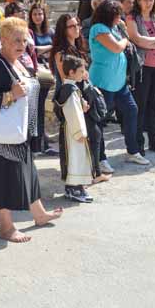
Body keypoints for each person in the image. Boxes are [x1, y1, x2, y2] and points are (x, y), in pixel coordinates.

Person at [0, 17, 63, 242]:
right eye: (16, 41)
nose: (21, 45)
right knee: (5, 181)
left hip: (17, 132)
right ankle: (6, 227)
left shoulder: (16, 61)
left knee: (28, 173)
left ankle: (39, 214)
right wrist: (10, 95)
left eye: (24, 40)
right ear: (3, 40)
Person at [88, 0, 149, 166]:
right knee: (100, 120)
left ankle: (132, 150)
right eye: (116, 15)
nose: (119, 18)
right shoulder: (98, 28)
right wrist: (125, 40)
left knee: (131, 110)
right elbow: (116, 47)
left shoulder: (115, 28)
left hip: (119, 82)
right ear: (108, 15)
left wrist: (123, 32)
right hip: (102, 82)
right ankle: (100, 158)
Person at [50, 12, 110, 178]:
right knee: (86, 135)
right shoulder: (60, 52)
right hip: (74, 98)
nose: (77, 28)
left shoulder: (78, 47)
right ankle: (92, 174)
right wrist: (80, 100)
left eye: (77, 25)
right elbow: (65, 80)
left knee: (95, 133)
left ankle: (95, 172)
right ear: (64, 30)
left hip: (84, 94)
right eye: (72, 26)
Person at [126, 0, 155, 155]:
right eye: (145, 0)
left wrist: (152, 43)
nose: (148, 3)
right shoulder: (132, 18)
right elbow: (136, 39)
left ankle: (154, 140)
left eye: (151, 0)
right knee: (140, 105)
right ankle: (138, 142)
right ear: (138, 1)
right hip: (142, 67)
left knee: (153, 104)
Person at [54, 56, 94, 203]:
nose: (84, 73)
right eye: (81, 70)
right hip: (73, 131)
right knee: (75, 158)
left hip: (70, 129)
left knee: (76, 158)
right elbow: (72, 112)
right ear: (71, 72)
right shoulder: (70, 90)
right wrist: (80, 132)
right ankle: (73, 188)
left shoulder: (69, 88)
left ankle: (77, 186)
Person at [28, 2, 57, 156]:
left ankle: (43, 142)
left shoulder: (50, 32)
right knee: (37, 109)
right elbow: (33, 51)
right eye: (35, 14)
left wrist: (44, 50)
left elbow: (56, 47)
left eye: (40, 14)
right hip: (37, 74)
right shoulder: (29, 32)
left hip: (49, 72)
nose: (38, 17)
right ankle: (37, 145)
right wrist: (49, 48)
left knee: (44, 110)